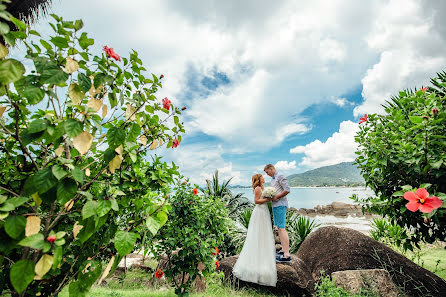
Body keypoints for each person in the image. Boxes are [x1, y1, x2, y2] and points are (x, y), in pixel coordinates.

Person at [232, 174, 277, 287]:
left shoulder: (262, 188)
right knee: (258, 234)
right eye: (262, 177)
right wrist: (268, 199)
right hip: (260, 212)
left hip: (264, 211)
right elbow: (256, 201)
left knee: (264, 235)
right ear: (258, 179)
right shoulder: (257, 188)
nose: (263, 178)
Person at [264, 164, 291, 263]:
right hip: (275, 205)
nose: (267, 174)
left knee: (282, 228)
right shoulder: (272, 179)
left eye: (267, 172)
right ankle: (283, 249)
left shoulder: (280, 176)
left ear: (271, 169)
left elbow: (287, 189)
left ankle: (287, 254)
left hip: (280, 205)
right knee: (279, 227)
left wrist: (276, 197)